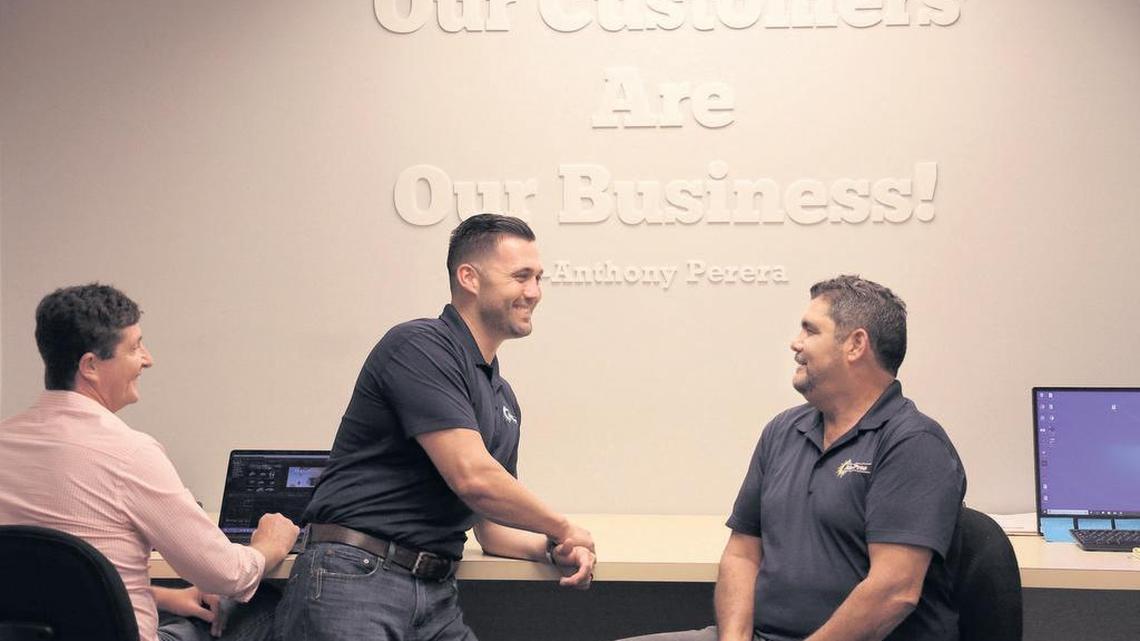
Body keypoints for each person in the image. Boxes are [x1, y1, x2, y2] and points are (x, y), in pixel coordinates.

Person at [275, 214, 596, 641]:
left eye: (539, 278)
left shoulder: (501, 398)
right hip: (354, 579)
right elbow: (473, 478)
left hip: (434, 593)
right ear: (469, 277)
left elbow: (489, 527)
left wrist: (551, 547)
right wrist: (562, 526)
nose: (534, 292)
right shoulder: (420, 346)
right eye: (521, 276)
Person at [621, 275, 966, 641]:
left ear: (855, 345)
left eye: (810, 331)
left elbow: (893, 591)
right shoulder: (784, 430)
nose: (795, 344)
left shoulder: (914, 443)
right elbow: (742, 554)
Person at [0, 284, 299, 641]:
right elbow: (227, 574)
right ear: (91, 366)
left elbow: (40, 579)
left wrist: (163, 596)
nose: (147, 358)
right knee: (264, 602)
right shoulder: (129, 454)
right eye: (135, 346)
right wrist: (270, 545)